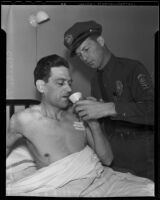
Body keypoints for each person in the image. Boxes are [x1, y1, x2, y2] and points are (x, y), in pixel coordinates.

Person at [6, 54, 154, 197]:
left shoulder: (77, 114)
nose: (69, 89)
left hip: (97, 180)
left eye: (69, 83)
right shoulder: (23, 120)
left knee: (149, 189)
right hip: (58, 187)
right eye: (60, 83)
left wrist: (94, 124)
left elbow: (107, 160)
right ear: (41, 86)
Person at [64, 20, 154, 180]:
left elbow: (152, 109)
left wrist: (108, 108)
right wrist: (91, 114)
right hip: (114, 160)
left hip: (143, 160)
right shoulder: (94, 80)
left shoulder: (132, 69)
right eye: (79, 55)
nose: (84, 58)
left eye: (86, 49)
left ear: (100, 41)